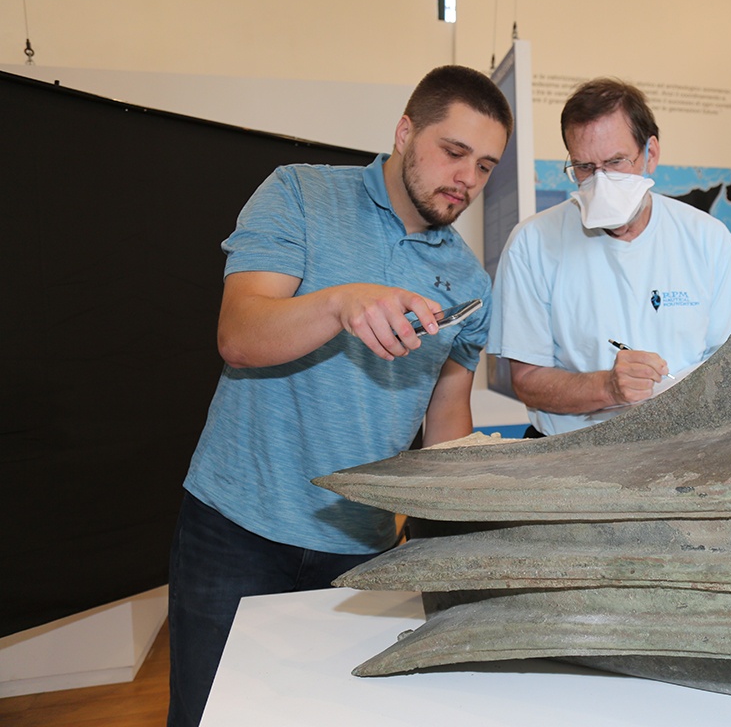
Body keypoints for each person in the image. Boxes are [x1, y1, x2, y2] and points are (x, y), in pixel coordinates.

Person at [167, 65, 512, 727]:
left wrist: (466, 535)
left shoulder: (469, 280)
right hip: (236, 528)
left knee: (333, 715)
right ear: (406, 132)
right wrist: (341, 304)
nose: (467, 179)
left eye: (486, 165)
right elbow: (239, 335)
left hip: (361, 546)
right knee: (209, 714)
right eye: (454, 152)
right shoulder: (299, 194)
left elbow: (446, 425)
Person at [488, 78, 731, 437]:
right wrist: (607, 388)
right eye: (584, 167)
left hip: (685, 445)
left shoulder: (707, 239)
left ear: (651, 154)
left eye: (615, 162)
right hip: (571, 453)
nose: (601, 182)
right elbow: (528, 380)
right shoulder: (533, 244)